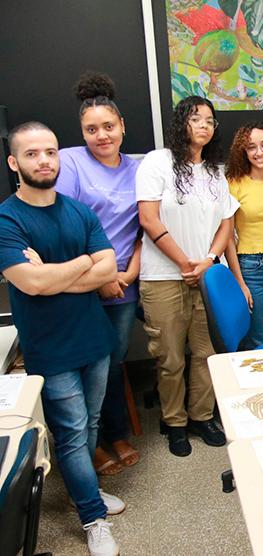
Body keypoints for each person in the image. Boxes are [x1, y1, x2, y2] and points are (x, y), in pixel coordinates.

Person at [0, 122, 123, 556]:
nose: (44, 160)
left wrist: (56, 273)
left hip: (93, 338)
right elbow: (30, 283)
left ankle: (79, 490)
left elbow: (108, 270)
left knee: (88, 424)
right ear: (15, 162)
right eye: (32, 154)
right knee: (71, 434)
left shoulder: (79, 210)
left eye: (50, 152)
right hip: (50, 348)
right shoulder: (6, 219)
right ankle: (93, 517)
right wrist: (84, 264)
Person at [137, 96, 238, 457]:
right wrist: (184, 263)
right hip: (164, 276)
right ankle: (175, 423)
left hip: (207, 276)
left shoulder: (215, 172)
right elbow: (149, 219)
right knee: (170, 357)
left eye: (210, 121)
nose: (204, 126)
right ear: (181, 123)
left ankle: (201, 416)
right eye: (196, 118)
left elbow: (227, 223)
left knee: (206, 353)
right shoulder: (157, 162)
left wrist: (209, 261)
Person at [55, 71, 142, 477]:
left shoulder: (138, 168)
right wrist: (101, 274)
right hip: (83, 283)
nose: (101, 135)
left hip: (125, 283)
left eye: (109, 126)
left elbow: (146, 227)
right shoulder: (71, 161)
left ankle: (116, 432)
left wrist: (129, 273)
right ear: (82, 132)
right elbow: (66, 225)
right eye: (92, 129)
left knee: (115, 361)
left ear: (123, 126)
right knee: (91, 364)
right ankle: (87, 446)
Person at [224, 121, 263, 348]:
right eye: (251, 147)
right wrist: (239, 282)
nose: (259, 152)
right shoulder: (234, 184)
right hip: (250, 267)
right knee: (258, 339)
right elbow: (227, 238)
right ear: (243, 151)